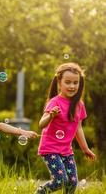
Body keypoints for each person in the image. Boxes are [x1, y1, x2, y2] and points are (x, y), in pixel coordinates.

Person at [35, 63, 96, 194]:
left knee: (72, 183)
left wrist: (85, 149)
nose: (72, 86)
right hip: (50, 149)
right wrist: (51, 115)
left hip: (66, 150)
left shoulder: (79, 105)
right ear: (59, 82)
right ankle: (40, 192)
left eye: (75, 82)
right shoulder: (54, 102)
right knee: (60, 180)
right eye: (68, 82)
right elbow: (41, 124)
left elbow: (78, 128)